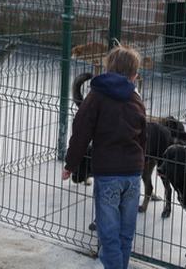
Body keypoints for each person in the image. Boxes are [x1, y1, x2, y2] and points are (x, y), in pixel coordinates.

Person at [62, 45, 147, 269]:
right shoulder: (136, 98)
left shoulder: (97, 95)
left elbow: (81, 130)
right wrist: (140, 164)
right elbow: (143, 135)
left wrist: (71, 163)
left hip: (108, 174)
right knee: (125, 234)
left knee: (108, 234)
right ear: (134, 75)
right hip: (132, 175)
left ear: (107, 69)